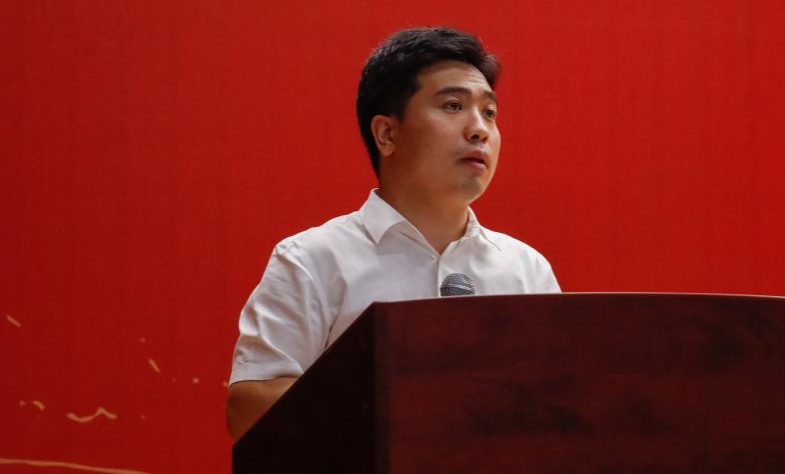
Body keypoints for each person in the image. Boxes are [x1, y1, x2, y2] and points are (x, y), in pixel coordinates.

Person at [225, 26, 560, 440]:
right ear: (386, 133)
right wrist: (406, 409)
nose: (480, 129)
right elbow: (250, 407)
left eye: (489, 112)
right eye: (453, 106)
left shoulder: (526, 271)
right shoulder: (312, 259)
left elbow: (561, 406)